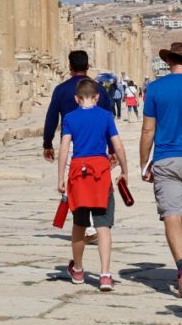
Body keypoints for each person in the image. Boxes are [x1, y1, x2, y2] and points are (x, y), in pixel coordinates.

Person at [139, 42, 182, 298]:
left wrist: (145, 162)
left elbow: (148, 130)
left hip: (166, 158)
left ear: (169, 62)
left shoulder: (155, 89)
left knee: (171, 215)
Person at [57, 77, 128, 292]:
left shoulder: (70, 118)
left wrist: (61, 176)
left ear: (77, 98)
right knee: (103, 225)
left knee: (79, 224)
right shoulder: (106, 116)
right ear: (97, 97)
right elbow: (117, 145)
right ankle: (105, 275)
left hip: (79, 171)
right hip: (100, 170)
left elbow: (63, 147)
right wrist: (125, 170)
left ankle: (78, 269)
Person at [43, 51, 113, 242]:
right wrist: (112, 149)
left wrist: (47, 143)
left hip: (71, 141)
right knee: (95, 181)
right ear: (88, 66)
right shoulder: (98, 89)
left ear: (69, 66)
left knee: (75, 183)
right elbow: (108, 118)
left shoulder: (61, 90)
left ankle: (87, 226)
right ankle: (94, 224)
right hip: (96, 143)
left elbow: (51, 117)